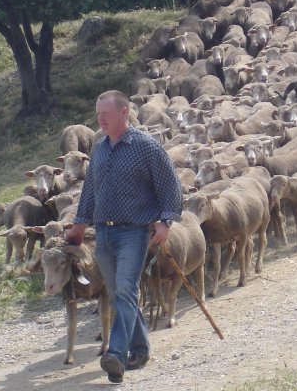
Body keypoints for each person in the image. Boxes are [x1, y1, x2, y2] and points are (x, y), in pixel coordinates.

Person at [65, 90, 183, 384]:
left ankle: (116, 354)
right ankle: (140, 349)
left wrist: (166, 221)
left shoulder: (146, 147)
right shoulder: (100, 148)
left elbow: (170, 185)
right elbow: (91, 190)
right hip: (103, 231)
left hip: (134, 230)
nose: (100, 119)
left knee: (125, 290)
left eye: (105, 113)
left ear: (124, 112)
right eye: (97, 114)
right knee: (119, 292)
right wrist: (80, 225)